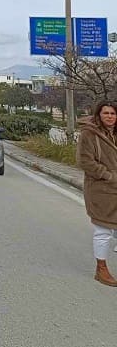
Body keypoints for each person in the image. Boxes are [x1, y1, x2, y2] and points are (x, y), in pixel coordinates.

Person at [76, 100, 117, 287]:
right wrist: (108, 175)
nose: (110, 116)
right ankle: (101, 269)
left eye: (113, 113)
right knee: (103, 230)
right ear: (98, 115)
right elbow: (85, 162)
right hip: (101, 188)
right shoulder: (89, 134)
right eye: (106, 113)